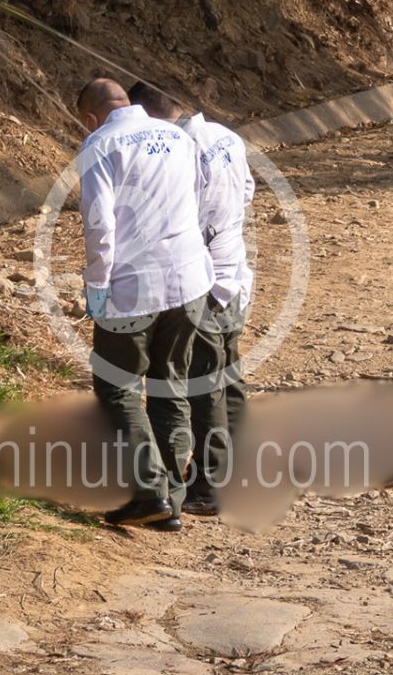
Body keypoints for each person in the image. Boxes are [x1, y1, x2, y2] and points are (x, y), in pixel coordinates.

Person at [73, 78, 216, 532]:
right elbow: (195, 201)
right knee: (169, 384)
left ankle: (150, 490)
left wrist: (96, 285)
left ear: (91, 117)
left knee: (116, 388)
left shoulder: (99, 143)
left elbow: (99, 226)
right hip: (190, 278)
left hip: (134, 287)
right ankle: (171, 499)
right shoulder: (177, 135)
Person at [126, 82, 254, 517]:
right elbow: (248, 192)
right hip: (233, 272)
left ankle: (210, 485)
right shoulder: (226, 137)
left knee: (203, 384)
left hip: (203, 280)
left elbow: (178, 215)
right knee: (227, 374)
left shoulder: (180, 150)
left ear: (147, 116)